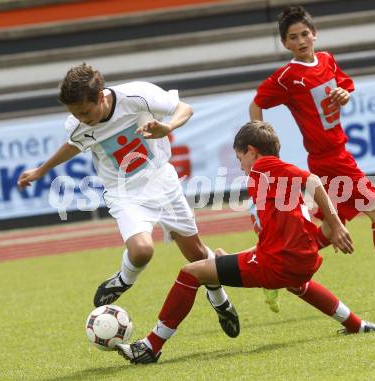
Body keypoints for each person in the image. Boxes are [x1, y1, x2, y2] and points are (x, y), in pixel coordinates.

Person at [116, 121, 375, 364]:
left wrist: (334, 224)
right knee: (294, 282)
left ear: (252, 151)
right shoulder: (274, 182)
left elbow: (311, 180)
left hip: (279, 262)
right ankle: (356, 324)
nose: (239, 163)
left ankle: (150, 347)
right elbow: (274, 238)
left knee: (190, 273)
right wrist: (225, 259)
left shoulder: (264, 167)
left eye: (239, 156)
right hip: (298, 258)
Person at [17, 63, 239, 338]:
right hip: (123, 192)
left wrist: (166, 127)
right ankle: (123, 280)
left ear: (100, 97)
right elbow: (74, 144)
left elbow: (185, 109)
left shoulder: (135, 96)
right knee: (142, 251)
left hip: (161, 180)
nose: (81, 119)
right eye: (75, 114)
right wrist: (41, 170)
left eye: (85, 112)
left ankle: (221, 301)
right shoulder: (78, 124)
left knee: (196, 254)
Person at [249, 5, 375, 311]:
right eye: (293, 37)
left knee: (323, 231)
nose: (301, 40)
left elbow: (344, 85)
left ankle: (276, 275)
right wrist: (262, 147)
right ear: (285, 44)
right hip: (330, 160)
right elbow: (256, 104)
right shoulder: (287, 77)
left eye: (305, 34)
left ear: (315, 34)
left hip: (338, 154)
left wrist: (345, 94)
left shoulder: (327, 60)